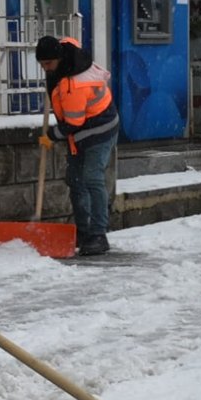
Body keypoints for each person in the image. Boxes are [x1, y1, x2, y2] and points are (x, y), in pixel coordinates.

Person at [34, 36, 120, 256]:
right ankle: (83, 232)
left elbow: (73, 123)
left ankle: (99, 234)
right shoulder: (67, 57)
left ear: (59, 58)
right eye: (42, 64)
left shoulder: (73, 85)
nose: (45, 68)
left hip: (100, 130)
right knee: (75, 179)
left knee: (92, 178)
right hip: (81, 133)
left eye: (48, 64)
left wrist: (51, 135)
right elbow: (69, 40)